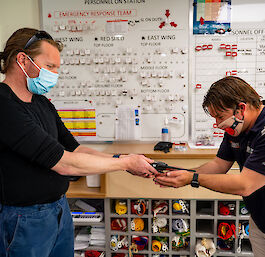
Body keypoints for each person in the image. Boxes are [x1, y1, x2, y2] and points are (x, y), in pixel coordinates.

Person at [0, 28, 158, 257]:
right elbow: (64, 163)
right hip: (24, 220)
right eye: (50, 66)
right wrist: (126, 164)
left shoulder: (42, 103)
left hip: (59, 210)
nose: (54, 74)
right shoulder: (4, 106)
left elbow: (74, 148)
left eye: (57, 68)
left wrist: (124, 159)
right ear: (23, 60)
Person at [155, 76, 265, 257]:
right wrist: (182, 173)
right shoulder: (238, 127)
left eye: (220, 117)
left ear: (241, 108)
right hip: (260, 220)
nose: (217, 124)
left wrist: (191, 178)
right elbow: (219, 165)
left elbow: (245, 184)